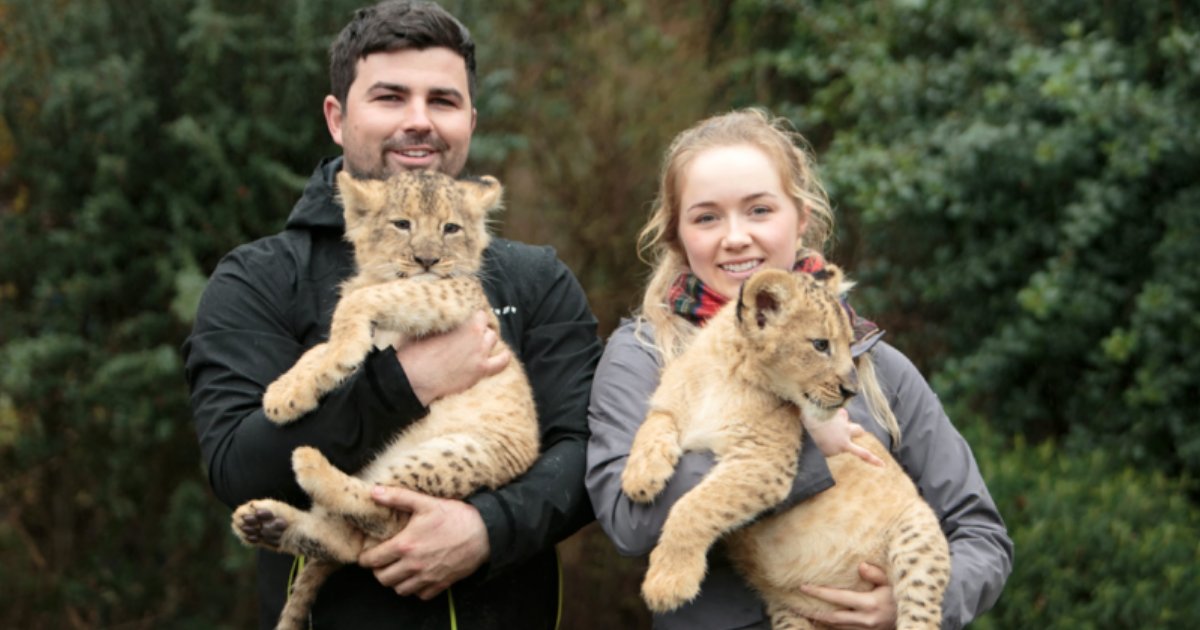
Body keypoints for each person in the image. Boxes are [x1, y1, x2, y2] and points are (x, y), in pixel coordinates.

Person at [181, 2, 601, 628]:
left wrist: (487, 528)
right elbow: (240, 469)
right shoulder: (259, 278)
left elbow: (588, 451)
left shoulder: (535, 277)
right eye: (390, 97)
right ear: (336, 117)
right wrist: (405, 382)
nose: (419, 122)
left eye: (443, 101)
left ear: (470, 121)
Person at [585, 109, 1013, 630]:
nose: (735, 237)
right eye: (706, 217)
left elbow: (980, 533)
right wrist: (809, 451)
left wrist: (916, 604)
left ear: (801, 217)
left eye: (760, 209)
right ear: (676, 234)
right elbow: (629, 523)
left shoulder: (872, 364)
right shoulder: (644, 356)